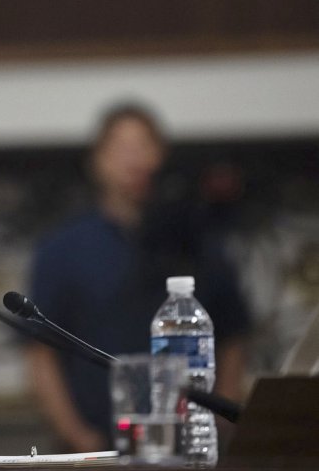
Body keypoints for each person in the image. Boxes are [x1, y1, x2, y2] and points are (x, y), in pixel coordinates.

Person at [25, 103, 250, 452]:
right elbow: (41, 353)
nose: (133, 160)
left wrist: (221, 421)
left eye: (143, 146)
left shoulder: (201, 243)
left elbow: (233, 336)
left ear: (161, 156)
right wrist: (78, 437)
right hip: (95, 448)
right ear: (96, 160)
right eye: (120, 148)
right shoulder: (62, 248)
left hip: (189, 446)